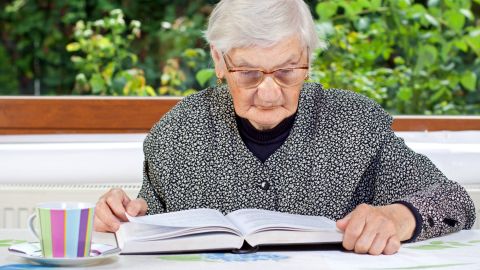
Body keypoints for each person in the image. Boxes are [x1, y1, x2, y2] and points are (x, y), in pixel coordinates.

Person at [94, 0, 476, 255]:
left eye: (287, 70)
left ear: (307, 57)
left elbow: (455, 201)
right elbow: (147, 219)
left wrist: (397, 216)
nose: (268, 92)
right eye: (247, 73)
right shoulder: (176, 133)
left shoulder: (354, 123)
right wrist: (120, 216)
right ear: (218, 60)